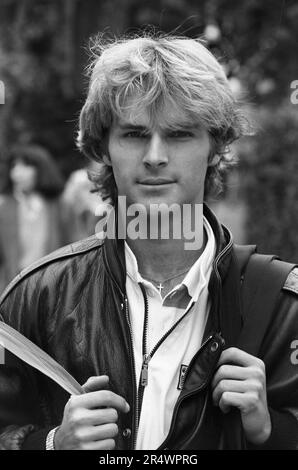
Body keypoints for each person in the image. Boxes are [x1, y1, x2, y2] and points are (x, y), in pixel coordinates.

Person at [0, 34, 298, 451]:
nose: (155, 155)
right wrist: (51, 443)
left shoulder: (282, 307)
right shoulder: (39, 295)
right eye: (135, 134)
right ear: (103, 147)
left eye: (179, 135)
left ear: (215, 147)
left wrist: (269, 432)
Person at [0, 144, 67, 293]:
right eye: (14, 166)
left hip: (52, 286)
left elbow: (75, 243)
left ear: (41, 170)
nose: (17, 173)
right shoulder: (4, 206)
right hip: (13, 288)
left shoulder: (58, 205)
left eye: (25, 166)